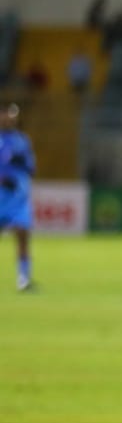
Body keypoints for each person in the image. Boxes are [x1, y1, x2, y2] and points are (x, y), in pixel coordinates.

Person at [0, 103, 36, 292]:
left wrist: (23, 163)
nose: (9, 118)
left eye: (12, 115)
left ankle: (24, 279)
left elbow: (31, 167)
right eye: (5, 114)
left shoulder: (22, 140)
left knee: (23, 235)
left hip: (18, 198)